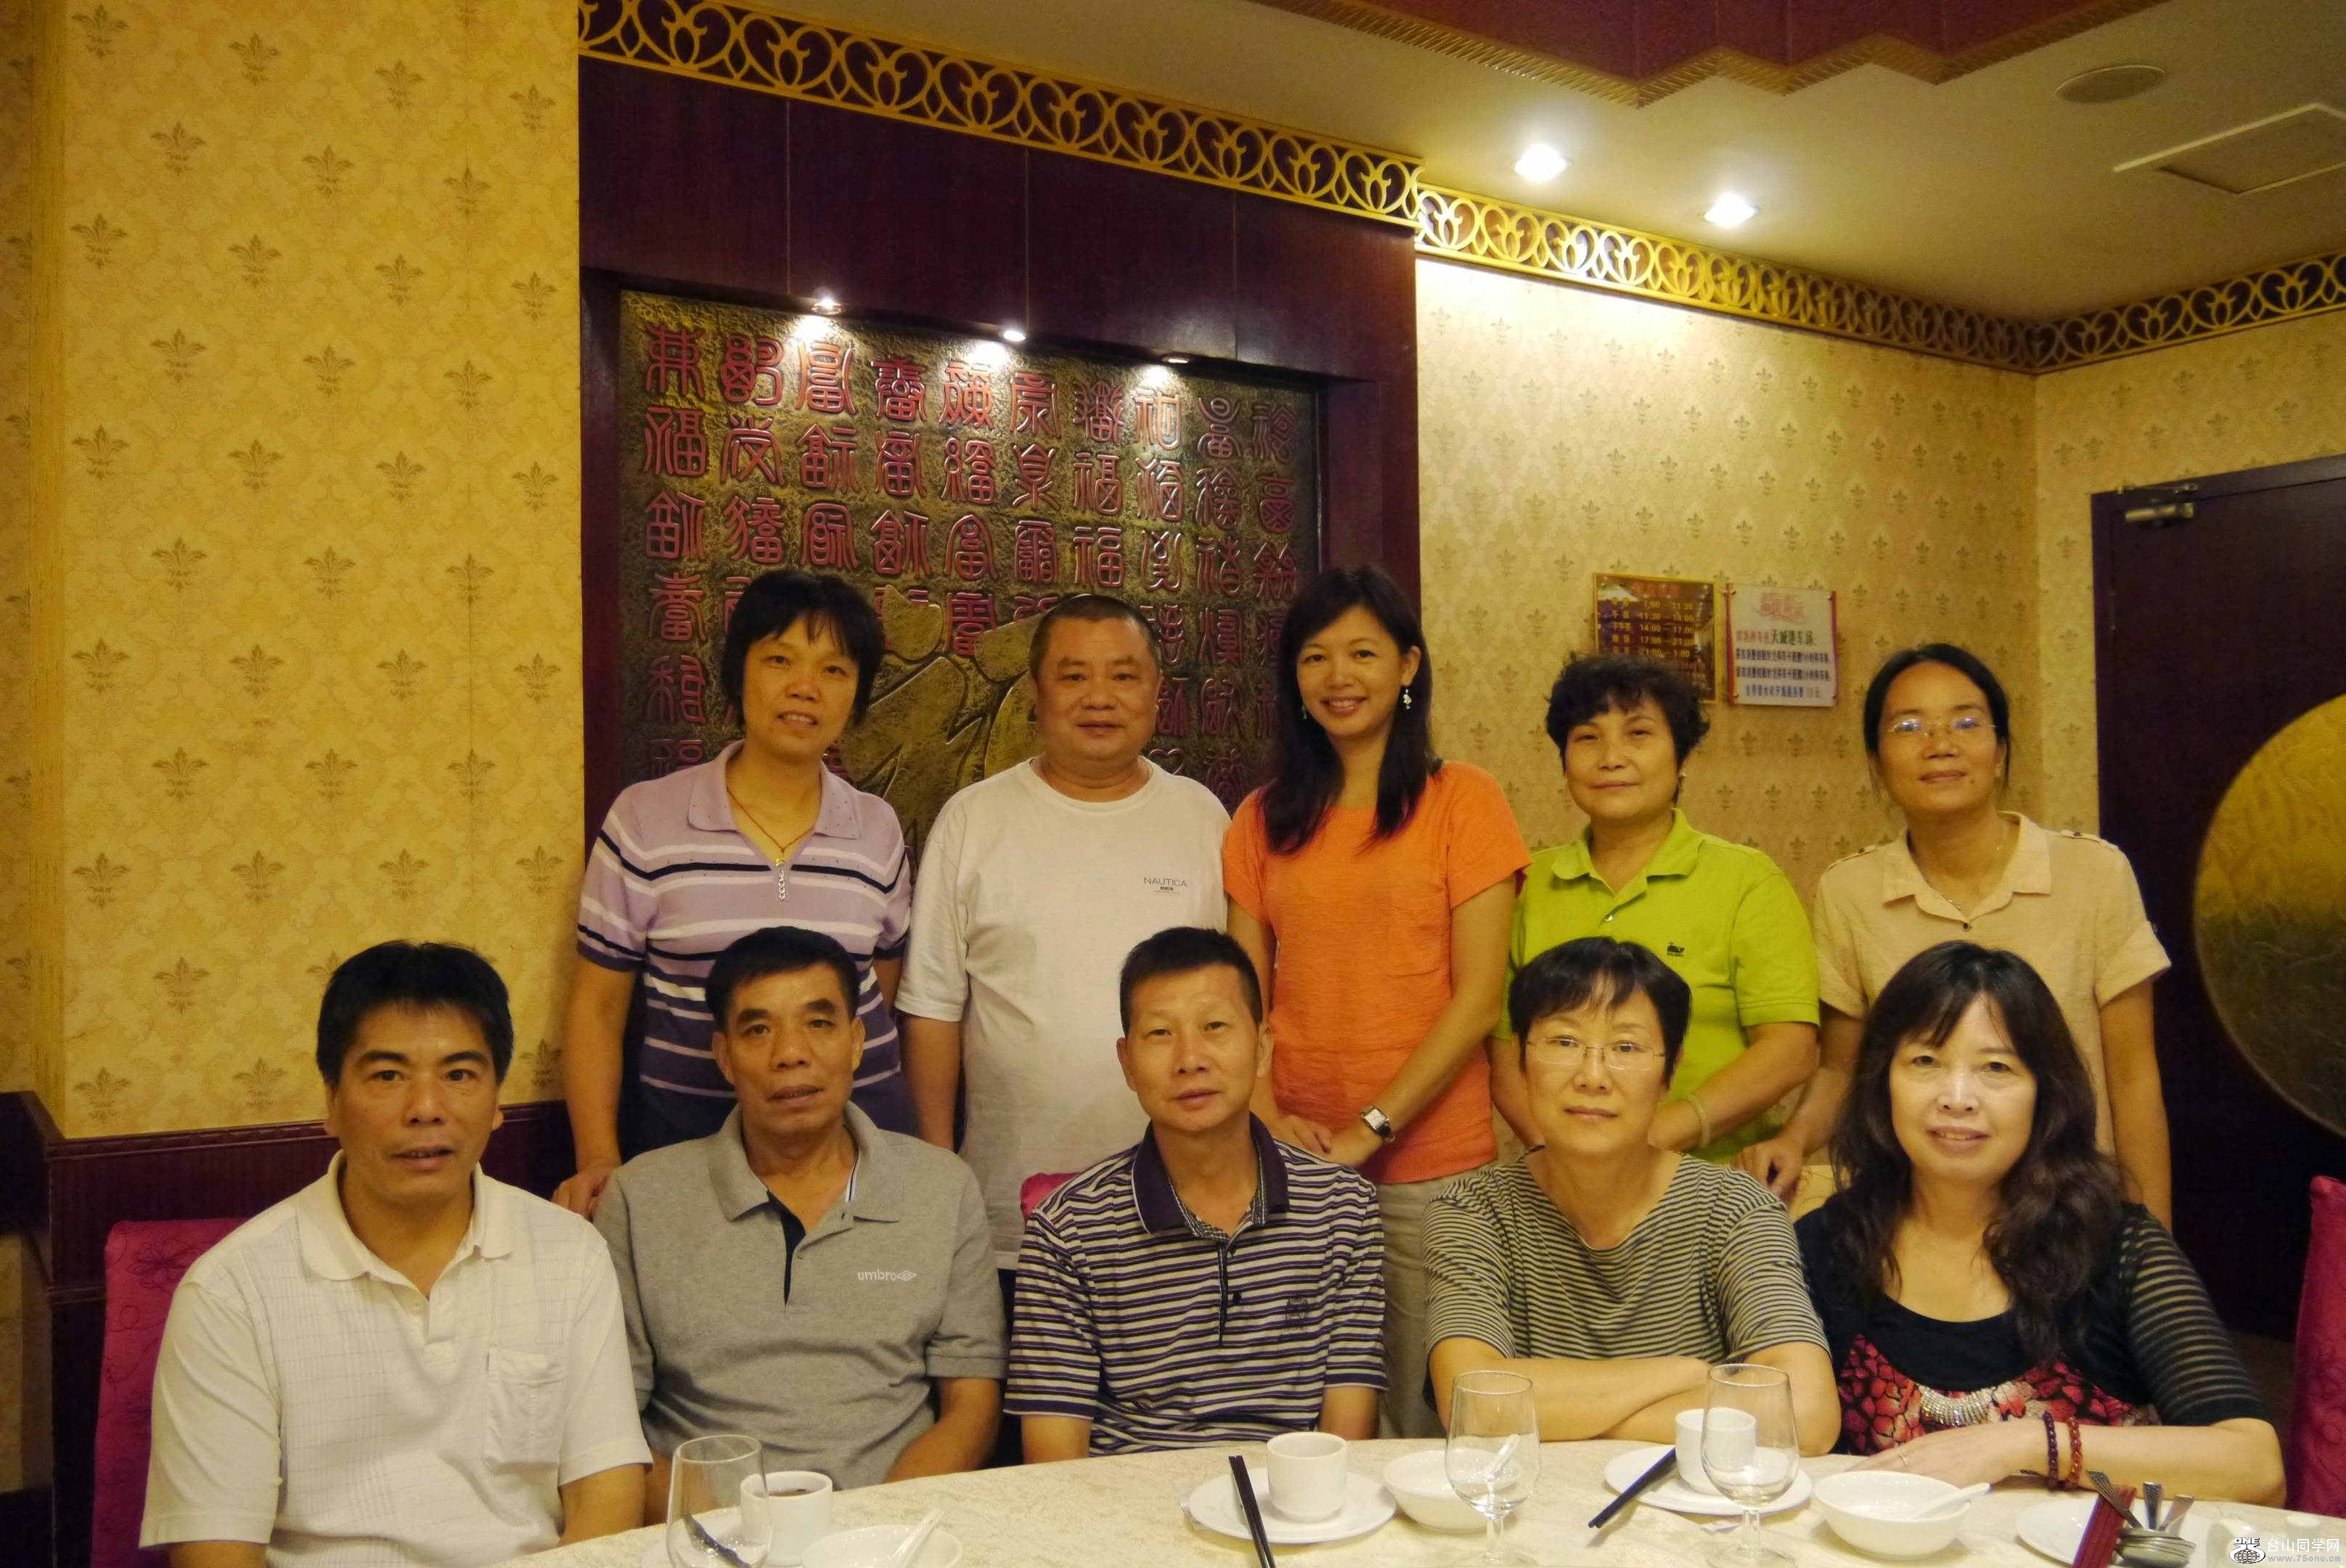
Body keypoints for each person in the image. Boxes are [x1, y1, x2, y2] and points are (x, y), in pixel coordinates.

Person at [142, 943, 648, 1567]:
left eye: (459, 1075)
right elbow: (216, 1553)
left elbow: (607, 1496)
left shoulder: (570, 1253)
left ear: (497, 1102)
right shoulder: (231, 1292)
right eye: (388, 1076)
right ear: (331, 1102)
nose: (426, 1109)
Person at [1797, 942, 2282, 1500]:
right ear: (1881, 1082)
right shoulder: (1828, 1243)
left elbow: (2256, 1466)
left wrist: (2033, 1443)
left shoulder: (2118, 1248)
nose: (1957, 1098)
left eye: (1996, 1067)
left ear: (2045, 1094)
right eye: (1925, 1062)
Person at [1223, 564, 1527, 1437]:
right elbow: (1244, 997)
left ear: (1407, 666)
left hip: (1431, 1165)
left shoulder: (1462, 800)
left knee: (1430, 1416)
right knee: (1305, 1411)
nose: (1338, 676)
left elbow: (1478, 1000)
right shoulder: (1260, 819)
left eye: (1362, 653)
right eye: (1314, 656)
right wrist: (1270, 1118)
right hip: (1291, 1163)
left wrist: (1370, 1129)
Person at [1739, 645, 2173, 1225]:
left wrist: (2151, 1240)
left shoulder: (2094, 873)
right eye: (1908, 727)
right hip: (1918, 1212)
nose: (1939, 744)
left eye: (1966, 723)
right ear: (1876, 763)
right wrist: (1794, 1139)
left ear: (2001, 752)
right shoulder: (1849, 890)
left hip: (2067, 1205)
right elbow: (1843, 1069)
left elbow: (2134, 1076)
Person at [594, 926, 1002, 1498]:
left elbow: (972, 1401)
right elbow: (608, 1423)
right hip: (711, 1526)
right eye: (758, 1030)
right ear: (724, 1056)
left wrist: (875, 1526)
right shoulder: (639, 1199)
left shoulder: (944, 1188)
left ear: (856, 1042)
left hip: (889, 1522)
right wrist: (732, 1529)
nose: (791, 1054)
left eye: (818, 1024)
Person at [559, 570, 916, 1218]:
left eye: (835, 670)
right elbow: (598, 1008)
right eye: (780, 660)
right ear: (737, 671)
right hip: (685, 1144)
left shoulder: (877, 829)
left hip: (857, 1149)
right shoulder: (645, 819)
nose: (805, 687)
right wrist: (598, 1157)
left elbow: (878, 990)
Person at [898, 594, 1230, 1282]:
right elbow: (932, 1008)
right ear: (1036, 691)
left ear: (1157, 690)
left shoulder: (1201, 818)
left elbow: (1239, 1010)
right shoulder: (974, 820)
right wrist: (936, 1173)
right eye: (1074, 676)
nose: (1099, 698)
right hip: (1010, 1212)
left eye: (1123, 675)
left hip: (1185, 1205)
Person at [1426, 936, 1839, 1452]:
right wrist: (1684, 1374)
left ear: (1670, 1070)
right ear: (1521, 1060)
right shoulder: (1473, 1209)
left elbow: (1807, 1415)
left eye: (1626, 1048)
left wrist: (1562, 1417)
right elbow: (1470, 1403)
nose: (1592, 1076)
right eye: (1564, 1042)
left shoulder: (1736, 1208)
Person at [1007, 927, 1385, 1457]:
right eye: (1160, 1033)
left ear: (1262, 1048)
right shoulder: (1067, 1229)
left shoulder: (1342, 1208)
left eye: (1214, 1027)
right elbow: (1053, 1459)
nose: (1190, 1059)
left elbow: (1346, 1440)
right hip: (1123, 1499)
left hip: (1291, 1494)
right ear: (1127, 1062)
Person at [1495, 653, 1818, 1164]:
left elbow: (1790, 1049)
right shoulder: (1524, 884)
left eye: (1638, 734)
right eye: (1587, 737)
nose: (1611, 757)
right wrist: (1559, 1154)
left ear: (1681, 755)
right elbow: (1502, 1049)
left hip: (1711, 1178)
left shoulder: (1748, 881)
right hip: (1559, 1177)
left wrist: (1654, 1139)